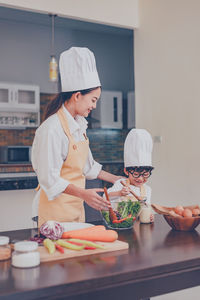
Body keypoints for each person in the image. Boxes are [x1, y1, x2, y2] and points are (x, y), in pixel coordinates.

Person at [31, 47, 121, 227]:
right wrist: (84, 194)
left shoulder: (79, 125)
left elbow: (88, 168)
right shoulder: (52, 129)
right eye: (93, 100)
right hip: (53, 215)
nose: (94, 106)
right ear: (77, 96)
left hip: (74, 212)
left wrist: (118, 180)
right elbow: (49, 179)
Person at [106, 129, 154, 217]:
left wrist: (150, 216)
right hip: (121, 223)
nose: (140, 178)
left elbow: (147, 207)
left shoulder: (147, 190)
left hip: (140, 225)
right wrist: (119, 193)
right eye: (136, 174)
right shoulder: (120, 184)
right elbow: (106, 197)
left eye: (145, 175)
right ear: (126, 171)